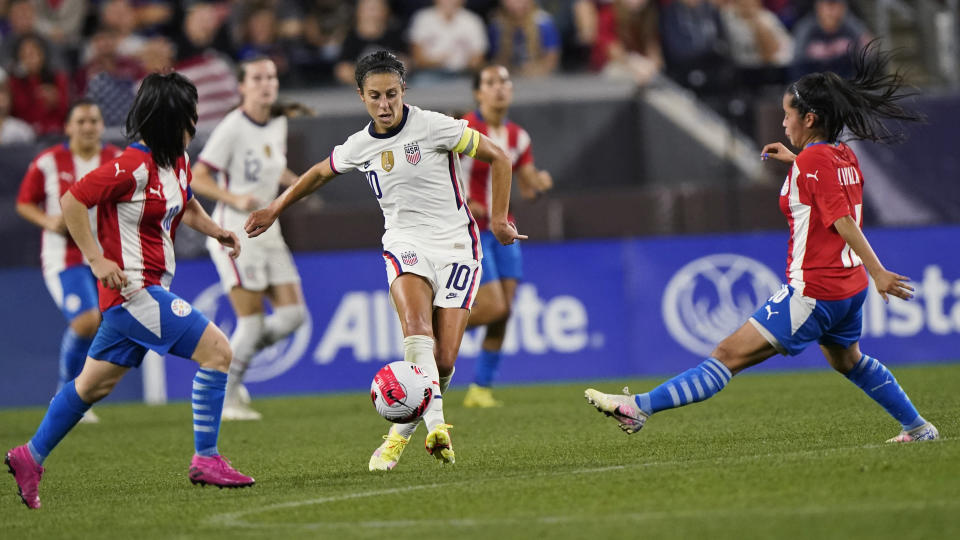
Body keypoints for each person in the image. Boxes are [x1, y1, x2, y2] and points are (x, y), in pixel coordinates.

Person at [584, 43, 939, 445]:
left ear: (810, 117)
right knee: (850, 362)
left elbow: (841, 220)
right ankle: (918, 428)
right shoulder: (841, 156)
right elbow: (825, 191)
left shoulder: (813, 163)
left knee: (726, 356)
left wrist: (879, 271)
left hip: (814, 292)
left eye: (789, 114)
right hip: (846, 289)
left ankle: (639, 408)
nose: (783, 122)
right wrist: (796, 160)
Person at [244, 51, 522, 471]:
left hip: (456, 247)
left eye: (392, 94)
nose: (385, 104)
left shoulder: (434, 126)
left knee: (444, 361)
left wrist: (499, 219)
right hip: (404, 243)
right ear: (361, 96)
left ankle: (397, 435)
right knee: (416, 331)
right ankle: (437, 428)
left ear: (403, 90)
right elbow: (319, 173)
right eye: (375, 96)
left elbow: (499, 157)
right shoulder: (359, 145)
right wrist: (275, 207)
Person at [6, 72, 255, 511]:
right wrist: (97, 259)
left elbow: (187, 200)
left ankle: (29, 457)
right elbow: (72, 201)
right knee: (218, 352)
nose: (192, 126)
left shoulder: (174, 160)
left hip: (143, 294)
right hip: (134, 293)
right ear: (165, 120)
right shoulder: (131, 166)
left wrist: (216, 230)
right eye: (186, 117)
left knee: (90, 388)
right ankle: (206, 458)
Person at [191, 56, 307, 421]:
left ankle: (231, 366)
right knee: (252, 323)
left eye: (271, 76)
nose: (266, 83)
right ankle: (224, 394)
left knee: (292, 316)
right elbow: (197, 177)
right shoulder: (232, 127)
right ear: (242, 86)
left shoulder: (277, 120)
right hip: (236, 231)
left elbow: (272, 165)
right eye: (257, 78)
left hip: (269, 229)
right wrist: (235, 198)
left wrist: (297, 183)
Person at [15, 100, 121, 424]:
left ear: (102, 126)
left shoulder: (116, 160)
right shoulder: (48, 161)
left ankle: (80, 393)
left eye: (94, 121)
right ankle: (67, 395)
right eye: (81, 121)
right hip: (65, 257)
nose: (88, 127)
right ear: (68, 127)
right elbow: (24, 203)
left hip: (106, 256)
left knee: (108, 324)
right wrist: (50, 222)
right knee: (87, 321)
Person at [460, 64, 552, 408]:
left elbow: (528, 187)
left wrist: (539, 184)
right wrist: (466, 200)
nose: (499, 88)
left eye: (504, 81)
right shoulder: (465, 128)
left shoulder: (518, 136)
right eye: (490, 82)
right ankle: (437, 330)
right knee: (494, 305)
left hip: (505, 229)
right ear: (478, 92)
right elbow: (443, 171)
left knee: (506, 310)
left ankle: (481, 389)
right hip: (470, 229)